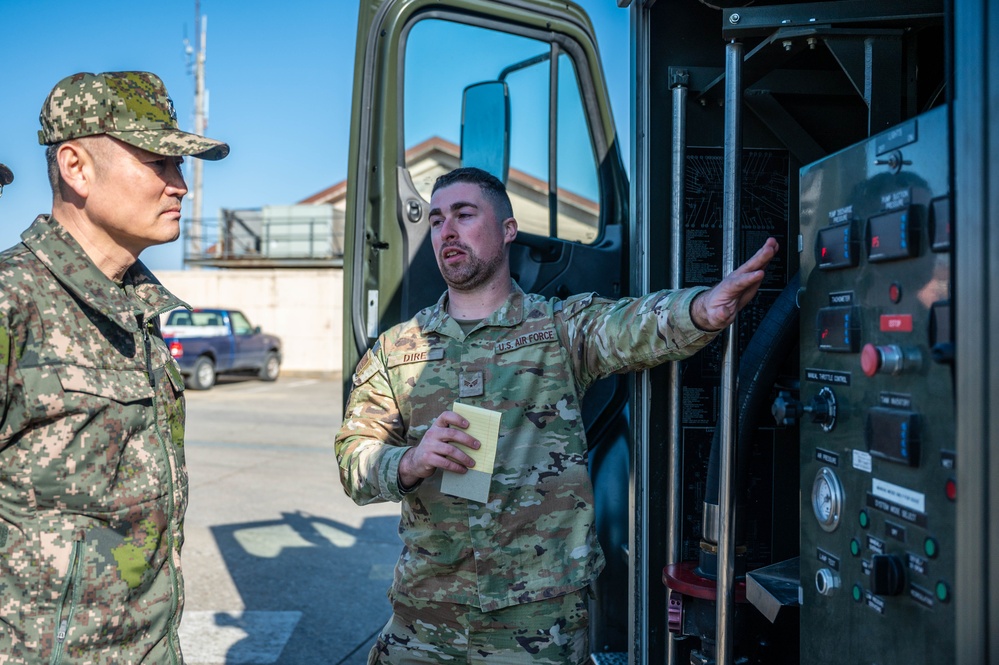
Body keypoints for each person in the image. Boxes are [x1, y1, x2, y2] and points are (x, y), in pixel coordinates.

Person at [335, 166, 779, 663]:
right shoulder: (398, 349)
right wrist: (410, 461)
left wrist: (700, 310)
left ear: (508, 230)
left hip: (538, 624)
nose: (448, 231)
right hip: (424, 616)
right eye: (437, 220)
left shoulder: (559, 328)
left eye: (464, 214)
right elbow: (355, 462)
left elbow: (632, 324)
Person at [0, 71, 228, 663]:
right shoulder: (12, 300)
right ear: (77, 167)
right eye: (160, 162)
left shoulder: (136, 309)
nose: (181, 185)